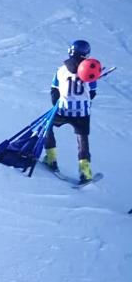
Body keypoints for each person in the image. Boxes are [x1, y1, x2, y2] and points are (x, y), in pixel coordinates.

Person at [43, 40, 98, 183]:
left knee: (47, 127)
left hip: (63, 109)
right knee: (82, 139)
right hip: (82, 112)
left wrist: (57, 104)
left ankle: (51, 158)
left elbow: (54, 90)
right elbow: (92, 92)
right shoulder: (90, 71)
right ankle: (85, 171)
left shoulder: (61, 70)